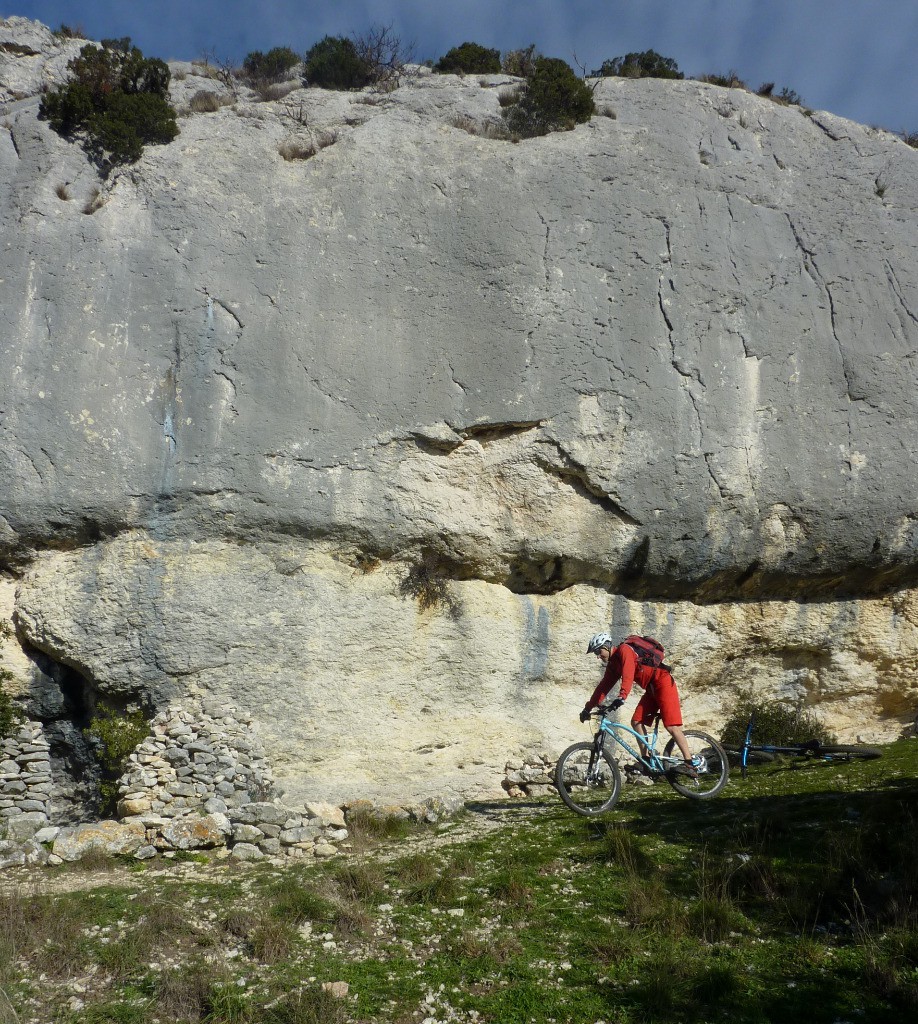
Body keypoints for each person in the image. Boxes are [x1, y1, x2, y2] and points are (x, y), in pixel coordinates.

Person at [579, 633, 697, 774]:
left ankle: (690, 763)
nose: (598, 656)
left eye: (599, 651)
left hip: (663, 682)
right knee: (637, 721)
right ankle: (646, 760)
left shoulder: (625, 650)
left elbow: (628, 674)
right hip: (651, 689)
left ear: (607, 646)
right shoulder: (613, 664)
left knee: (671, 726)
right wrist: (587, 708)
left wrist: (622, 696)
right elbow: (603, 687)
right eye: (596, 654)